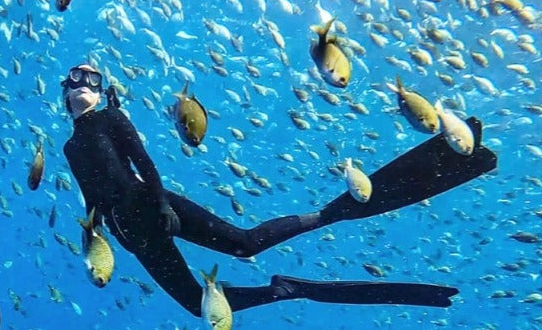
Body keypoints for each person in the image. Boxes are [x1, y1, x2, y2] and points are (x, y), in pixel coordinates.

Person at [61, 63, 498, 316]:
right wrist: (101, 238)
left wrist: (161, 206)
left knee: (244, 243)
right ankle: (285, 290)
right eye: (78, 79)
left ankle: (327, 215)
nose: (85, 85)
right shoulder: (69, 146)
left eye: (94, 80)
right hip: (129, 233)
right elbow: (92, 200)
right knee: (198, 305)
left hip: (149, 205)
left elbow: (145, 164)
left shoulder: (111, 120)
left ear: (103, 93)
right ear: (66, 92)